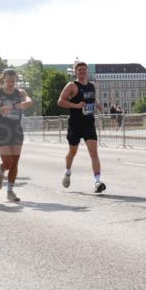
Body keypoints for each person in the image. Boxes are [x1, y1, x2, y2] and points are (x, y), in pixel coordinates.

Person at [57, 61, 106, 193]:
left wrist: (98, 105)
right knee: (72, 152)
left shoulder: (92, 86)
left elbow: (93, 99)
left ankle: (97, 182)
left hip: (89, 123)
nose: (82, 72)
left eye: (84, 69)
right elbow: (60, 101)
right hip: (75, 124)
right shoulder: (72, 86)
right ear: (75, 72)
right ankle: (67, 172)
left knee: (94, 153)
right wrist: (76, 106)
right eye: (80, 70)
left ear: (87, 71)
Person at [0, 68, 33, 202]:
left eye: (13, 80)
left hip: (16, 129)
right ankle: (1, 171)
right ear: (4, 79)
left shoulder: (20, 92)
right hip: (2, 129)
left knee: (15, 163)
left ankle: (10, 191)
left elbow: (29, 102)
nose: (11, 83)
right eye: (8, 80)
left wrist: (14, 107)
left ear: (16, 79)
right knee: (8, 162)